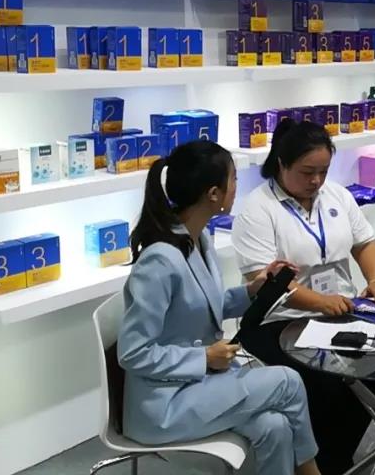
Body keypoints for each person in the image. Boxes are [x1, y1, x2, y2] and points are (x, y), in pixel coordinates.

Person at [118, 140, 322, 475]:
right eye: (234, 179)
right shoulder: (159, 261)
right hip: (164, 407)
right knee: (287, 381)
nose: (237, 187)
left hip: (198, 387)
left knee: (275, 427)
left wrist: (253, 291)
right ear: (213, 193)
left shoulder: (198, 239)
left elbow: (202, 306)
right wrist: (203, 358)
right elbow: (133, 352)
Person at [233, 118, 375, 475]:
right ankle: (321, 461)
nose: (316, 181)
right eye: (308, 172)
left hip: (340, 312)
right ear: (281, 164)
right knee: (325, 378)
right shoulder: (257, 210)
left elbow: (365, 243)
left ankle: (333, 455)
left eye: (323, 171)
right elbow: (266, 282)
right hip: (281, 321)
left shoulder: (336, 195)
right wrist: (320, 303)